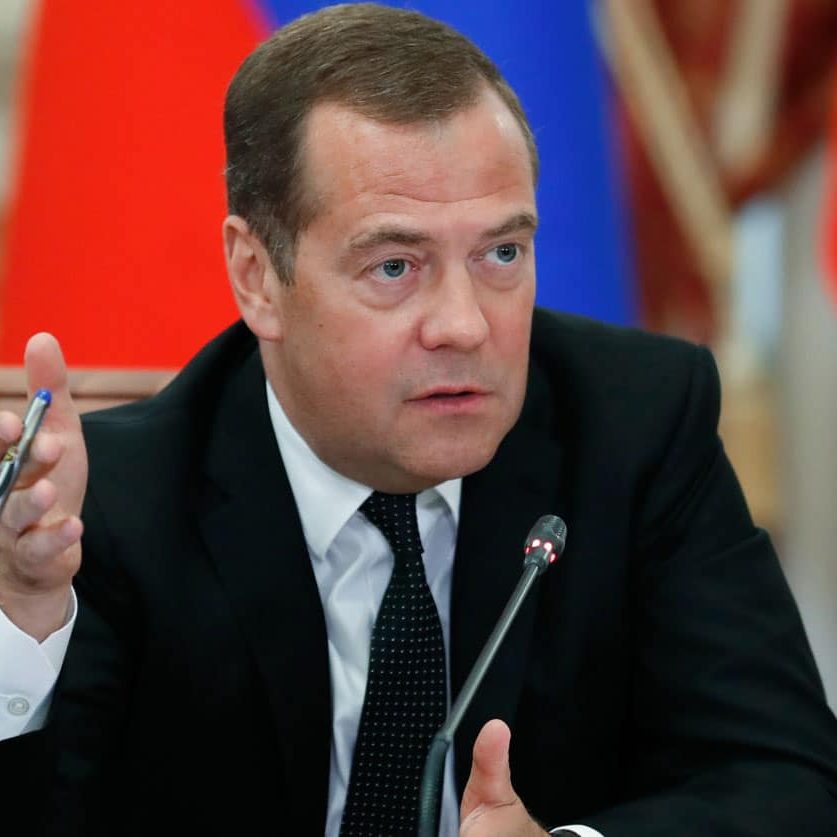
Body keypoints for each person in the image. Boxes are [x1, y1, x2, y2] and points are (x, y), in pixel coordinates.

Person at [1, 4, 836, 835]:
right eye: (395, 266)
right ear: (256, 276)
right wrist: (22, 618)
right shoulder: (107, 506)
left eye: (501, 253)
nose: (465, 325)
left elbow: (786, 779)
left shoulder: (634, 425)